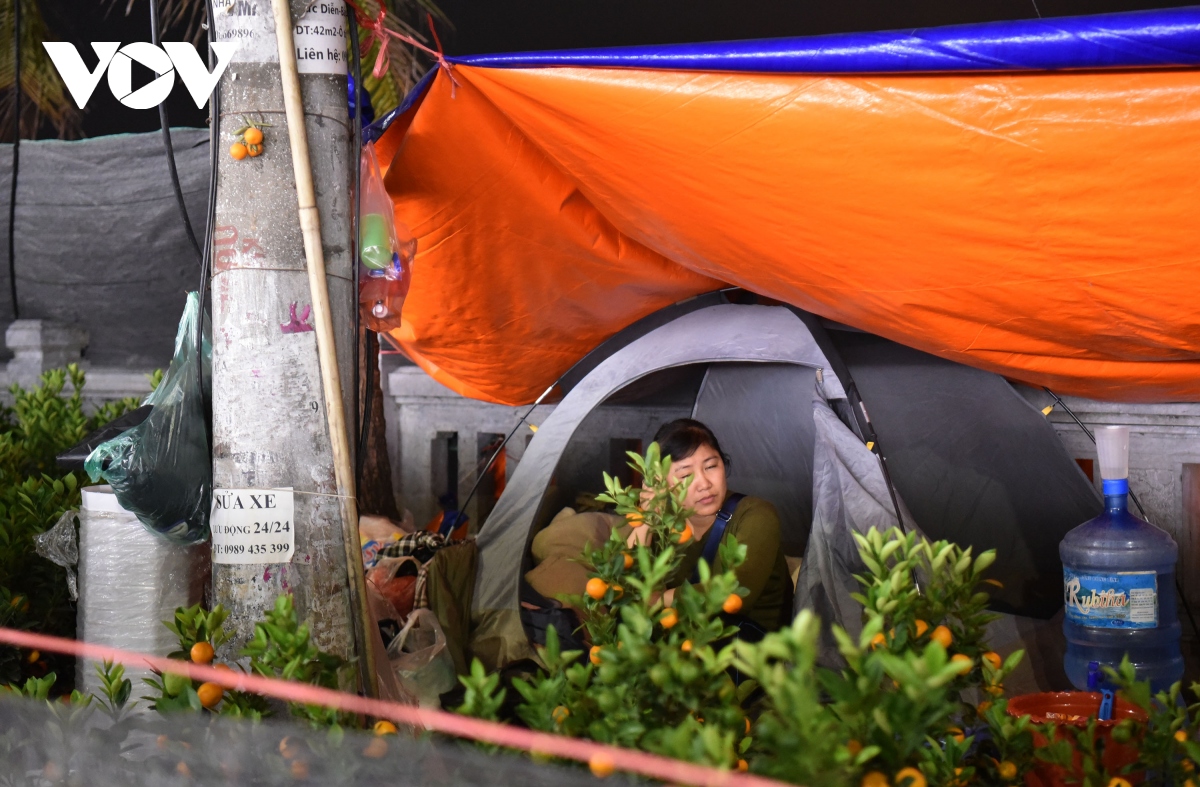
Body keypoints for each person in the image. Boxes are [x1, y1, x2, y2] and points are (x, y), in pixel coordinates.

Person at [632, 418, 793, 637]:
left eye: (710, 466)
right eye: (686, 475)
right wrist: (647, 521)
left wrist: (657, 600)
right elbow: (621, 586)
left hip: (746, 655)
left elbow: (734, 594)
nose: (704, 484)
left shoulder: (756, 514)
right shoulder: (664, 523)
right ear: (662, 483)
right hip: (682, 650)